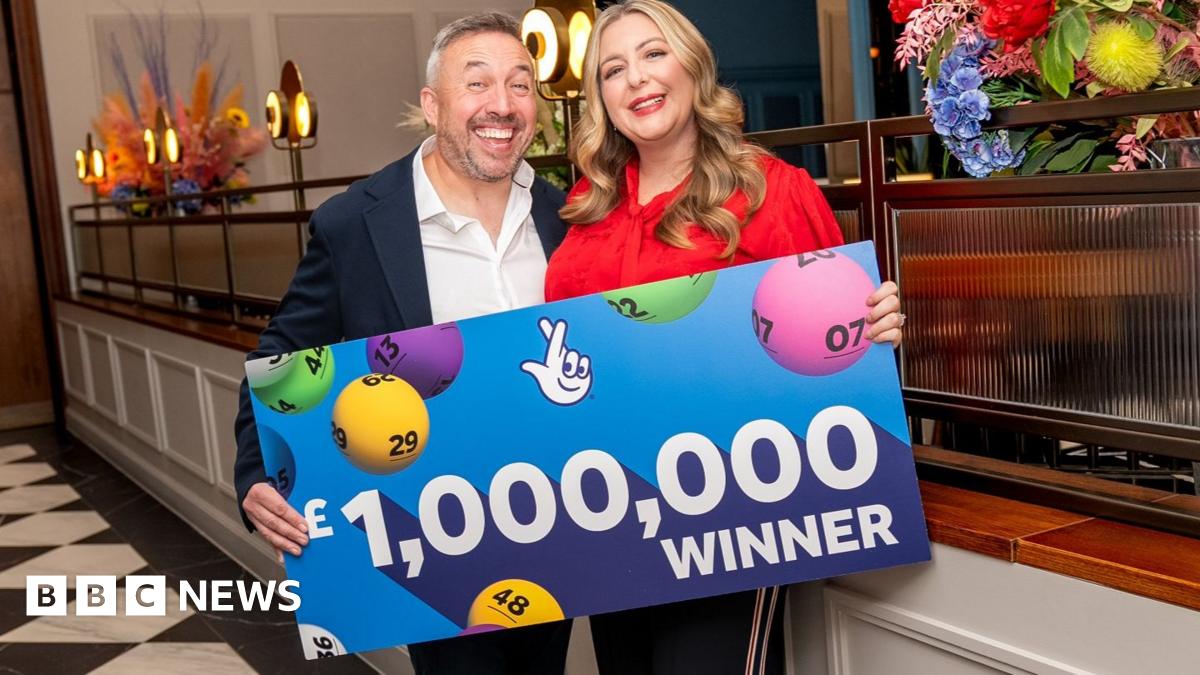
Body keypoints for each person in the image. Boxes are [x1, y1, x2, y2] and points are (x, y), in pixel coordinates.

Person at [544, 1, 904, 673]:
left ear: (693, 66)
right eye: (614, 69)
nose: (637, 79)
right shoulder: (584, 216)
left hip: (733, 518)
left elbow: (838, 350)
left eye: (654, 54)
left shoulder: (774, 191)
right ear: (600, 98)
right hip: (612, 519)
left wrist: (873, 325)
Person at [232, 13, 571, 675]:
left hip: (554, 530)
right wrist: (255, 473)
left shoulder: (568, 217)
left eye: (520, 84)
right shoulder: (356, 225)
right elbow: (279, 359)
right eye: (478, 84)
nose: (502, 104)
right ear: (432, 104)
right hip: (431, 539)